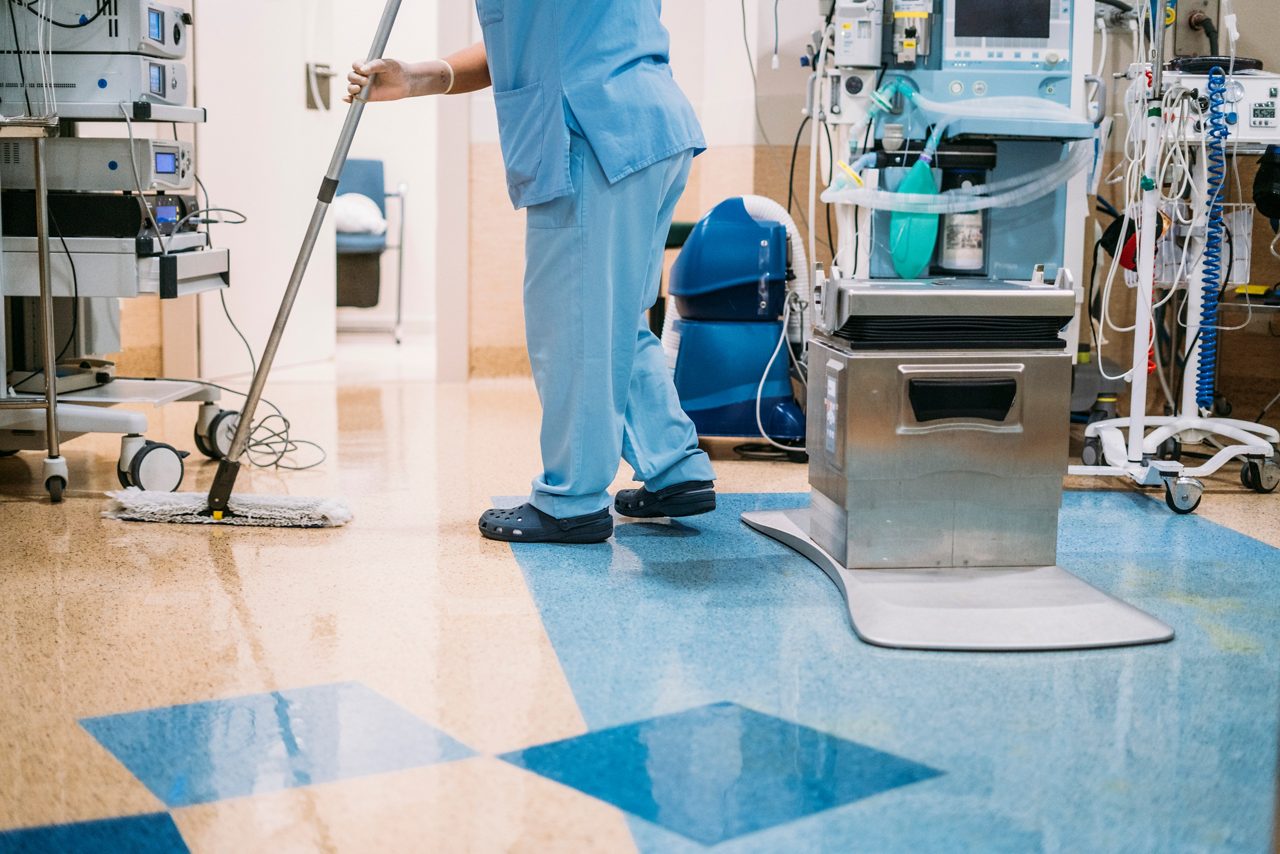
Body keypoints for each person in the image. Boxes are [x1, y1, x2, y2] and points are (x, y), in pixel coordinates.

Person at [347, 1, 717, 544]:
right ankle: (674, 467)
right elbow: (521, 47)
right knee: (614, 323)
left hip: (593, 133)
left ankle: (572, 502)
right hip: (648, 128)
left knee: (575, 329)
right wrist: (417, 77)